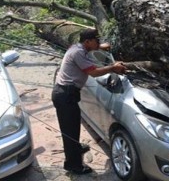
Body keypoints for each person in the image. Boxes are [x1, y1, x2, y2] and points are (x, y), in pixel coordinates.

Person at [51, 28, 127, 175]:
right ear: (87, 41)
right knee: (70, 131)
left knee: (73, 127)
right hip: (65, 95)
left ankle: (75, 149)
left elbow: (91, 50)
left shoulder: (78, 47)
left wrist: (99, 47)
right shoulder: (79, 52)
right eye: (96, 40)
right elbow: (93, 72)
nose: (98, 42)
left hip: (67, 94)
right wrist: (113, 67)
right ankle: (73, 165)